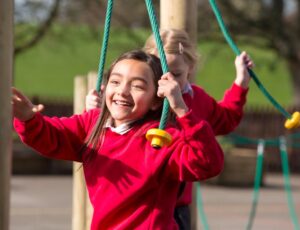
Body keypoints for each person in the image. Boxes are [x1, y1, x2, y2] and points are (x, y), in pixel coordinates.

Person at [12, 50, 224, 230]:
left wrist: (181, 109)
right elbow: (51, 137)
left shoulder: (161, 137)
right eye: (115, 81)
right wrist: (28, 119)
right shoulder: (92, 124)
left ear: (155, 101)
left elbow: (207, 164)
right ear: (105, 89)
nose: (122, 91)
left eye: (138, 86)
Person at [85, 29, 254, 230]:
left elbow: (226, 119)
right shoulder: (139, 102)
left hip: (177, 207)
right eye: (158, 73)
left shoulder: (195, 100)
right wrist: (98, 110)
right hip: (138, 202)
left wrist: (240, 83)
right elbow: (115, 130)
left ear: (190, 67)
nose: (168, 81)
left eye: (175, 74)